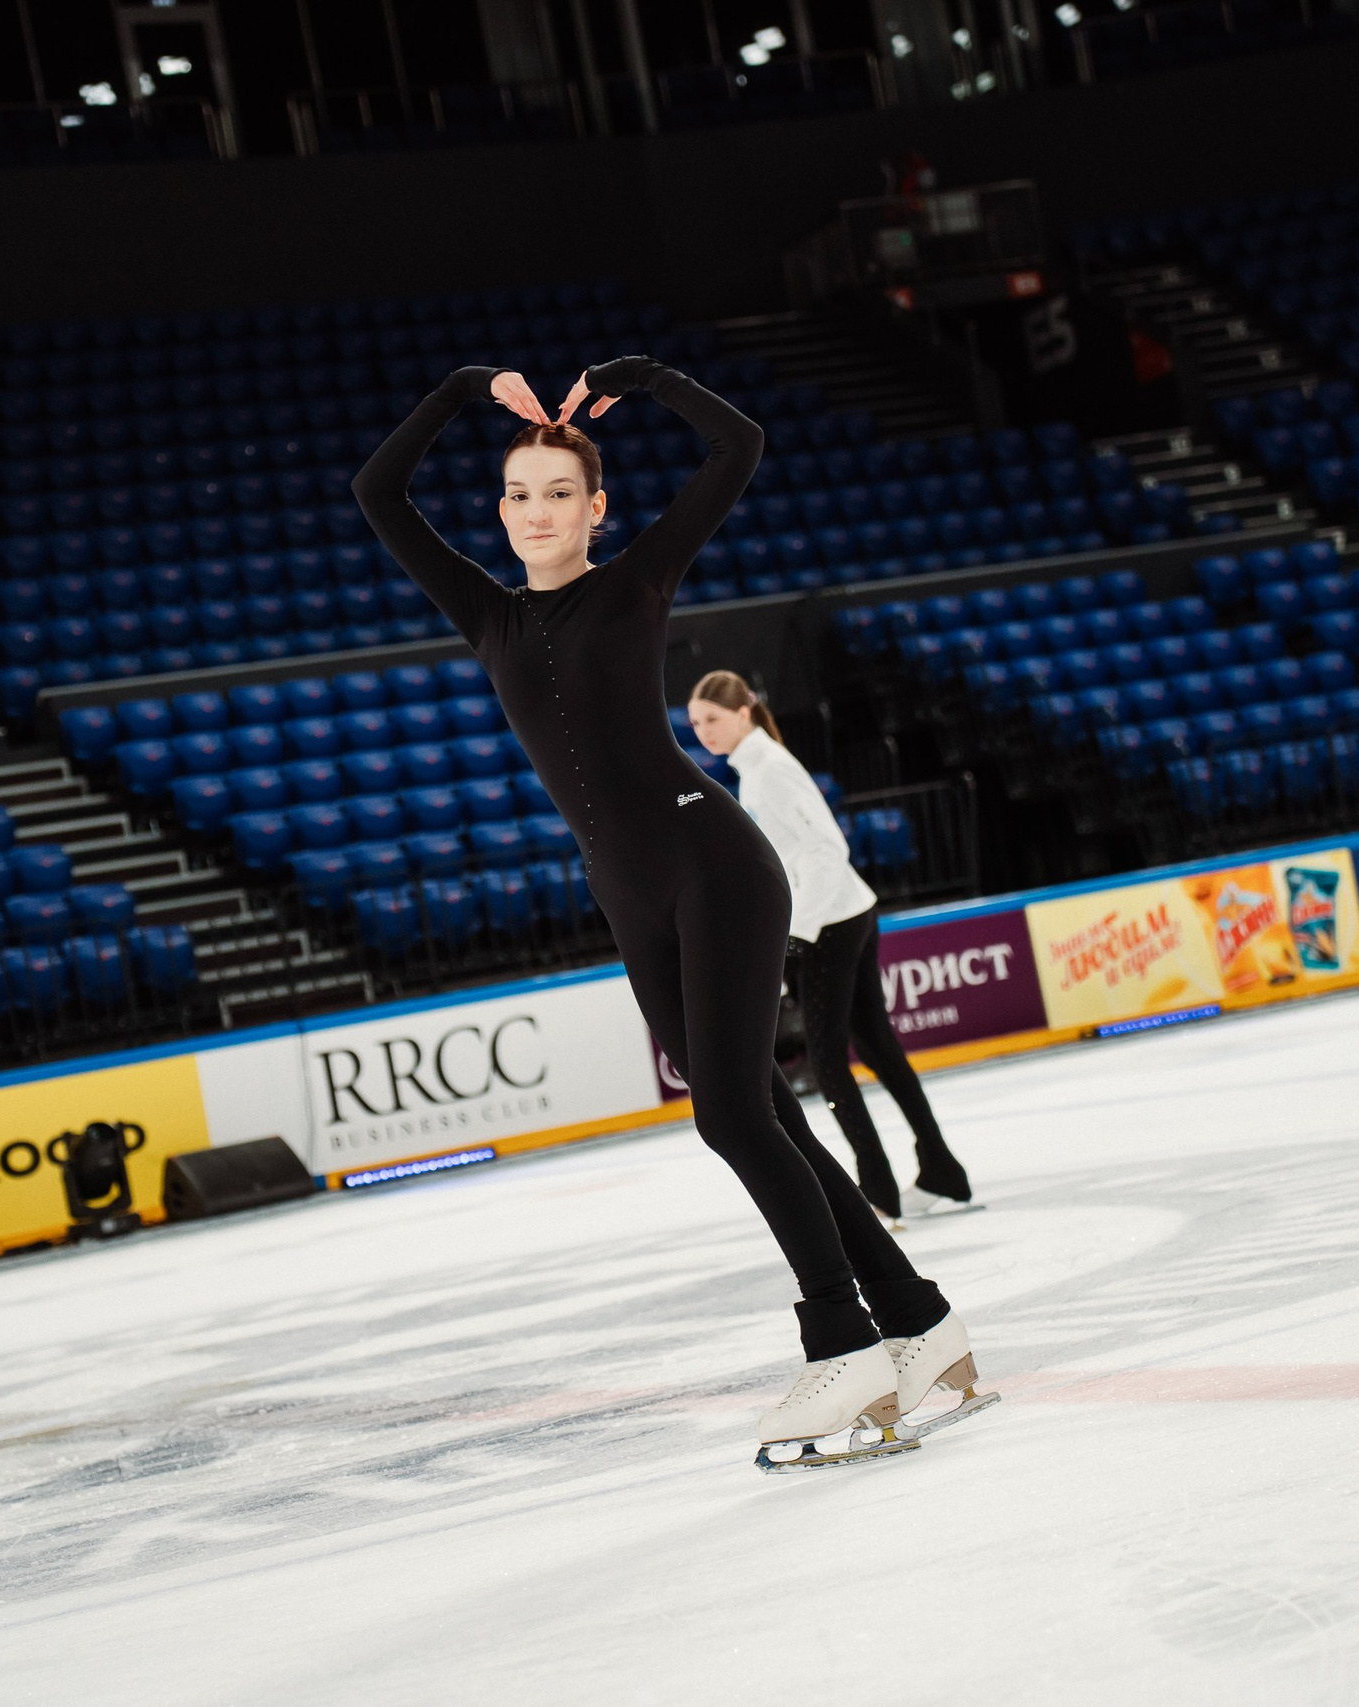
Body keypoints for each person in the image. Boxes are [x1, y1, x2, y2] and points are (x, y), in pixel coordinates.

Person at [353, 359, 988, 1463]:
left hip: (716, 869)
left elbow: (735, 443)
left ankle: (840, 1345)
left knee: (732, 1115)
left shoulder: (636, 581)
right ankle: (919, 1322)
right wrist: (462, 391)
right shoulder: (486, 615)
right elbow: (377, 494)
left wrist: (640, 381)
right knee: (761, 1112)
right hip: (629, 895)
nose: (535, 512)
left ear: (597, 509)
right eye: (517, 494)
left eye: (560, 492)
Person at [683, 669, 976, 1225]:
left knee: (828, 1061)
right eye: (696, 723)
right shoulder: (758, 768)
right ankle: (941, 1169)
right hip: (847, 911)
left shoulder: (768, 770)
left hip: (831, 922)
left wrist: (798, 930)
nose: (704, 733)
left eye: (712, 720)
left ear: (744, 712)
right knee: (878, 1047)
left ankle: (879, 1193)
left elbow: (827, 846)